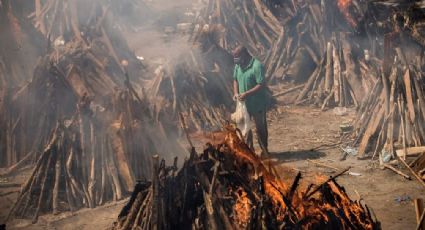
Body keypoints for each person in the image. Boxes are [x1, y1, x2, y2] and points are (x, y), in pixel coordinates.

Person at [232, 45, 268, 156]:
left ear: (244, 55)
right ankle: (250, 152)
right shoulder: (238, 66)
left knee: (260, 129)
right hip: (244, 104)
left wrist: (247, 93)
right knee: (245, 129)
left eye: (237, 57)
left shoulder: (257, 66)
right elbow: (235, 80)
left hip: (257, 104)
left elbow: (261, 84)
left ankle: (264, 151)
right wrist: (235, 93)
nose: (236, 60)